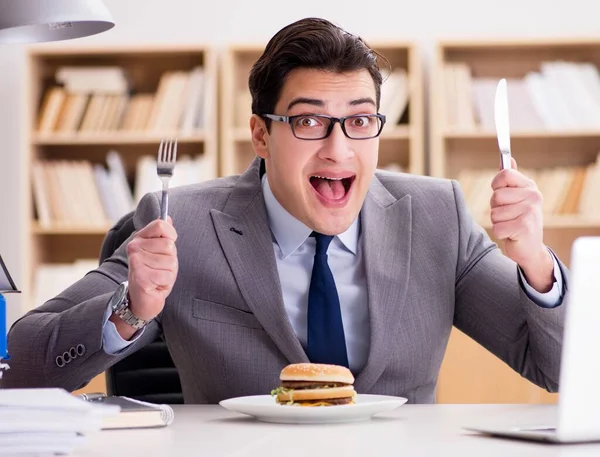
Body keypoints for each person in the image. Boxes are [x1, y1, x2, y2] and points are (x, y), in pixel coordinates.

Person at [2, 17, 568, 404]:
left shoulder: (437, 216)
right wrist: (130, 308)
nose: (338, 147)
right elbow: (18, 368)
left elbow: (560, 370)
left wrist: (536, 264)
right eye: (308, 120)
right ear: (261, 135)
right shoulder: (184, 224)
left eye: (360, 119)